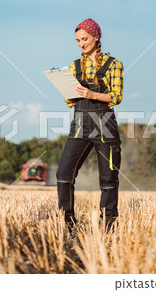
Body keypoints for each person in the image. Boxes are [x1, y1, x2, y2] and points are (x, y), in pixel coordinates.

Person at [56, 18, 124, 233]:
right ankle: (66, 223)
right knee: (63, 175)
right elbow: (69, 102)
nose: (81, 44)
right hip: (79, 125)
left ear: (96, 37)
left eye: (84, 39)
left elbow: (116, 96)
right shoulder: (74, 66)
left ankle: (108, 225)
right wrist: (66, 91)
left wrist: (92, 94)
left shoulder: (114, 64)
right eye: (77, 40)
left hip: (105, 124)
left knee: (108, 178)